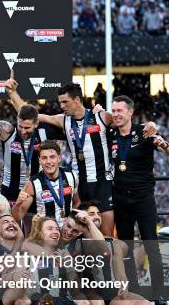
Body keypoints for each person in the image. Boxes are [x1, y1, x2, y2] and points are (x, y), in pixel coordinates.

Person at [30, 83, 156, 236]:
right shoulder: (63, 120)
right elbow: (30, 115)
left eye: (64, 102)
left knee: (107, 236)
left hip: (103, 183)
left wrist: (150, 124)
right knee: (81, 234)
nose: (61, 106)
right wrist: (13, 95)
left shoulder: (101, 117)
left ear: (76, 100)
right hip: (80, 184)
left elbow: (126, 124)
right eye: (60, 102)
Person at [109, 95, 169, 305]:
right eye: (114, 110)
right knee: (126, 246)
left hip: (143, 198)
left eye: (120, 110)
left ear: (130, 112)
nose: (116, 114)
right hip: (120, 198)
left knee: (151, 245)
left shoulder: (145, 131)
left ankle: (159, 294)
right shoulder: (109, 133)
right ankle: (134, 291)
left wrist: (162, 143)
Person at [0, 73, 65, 204]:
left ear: (37, 123)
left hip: (37, 192)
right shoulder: (8, 131)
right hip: (10, 193)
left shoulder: (45, 131)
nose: (22, 131)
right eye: (20, 126)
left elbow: (69, 121)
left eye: (27, 128)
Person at [12, 140, 79, 228]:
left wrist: (70, 219)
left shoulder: (72, 176)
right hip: (45, 235)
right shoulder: (33, 183)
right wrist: (18, 204)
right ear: (39, 160)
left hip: (66, 232)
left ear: (59, 158)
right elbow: (17, 217)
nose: (48, 161)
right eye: (44, 158)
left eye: (52, 157)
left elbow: (76, 202)